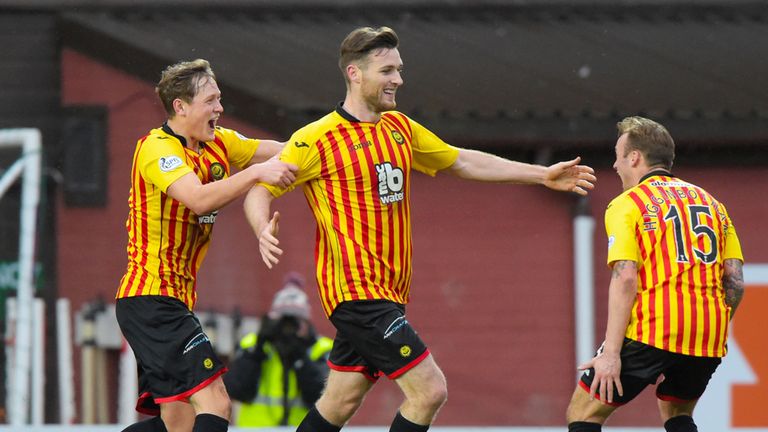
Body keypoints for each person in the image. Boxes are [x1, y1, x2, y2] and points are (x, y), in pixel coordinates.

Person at [243, 27, 597, 432]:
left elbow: (461, 161)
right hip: (358, 294)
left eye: (399, 69)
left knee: (341, 400)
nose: (398, 79)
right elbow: (260, 188)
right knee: (429, 391)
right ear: (355, 74)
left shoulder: (399, 128)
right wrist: (260, 228)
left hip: (389, 294)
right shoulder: (316, 138)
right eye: (387, 70)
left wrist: (541, 175)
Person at [115, 59, 298, 432]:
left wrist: (333, 147)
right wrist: (254, 174)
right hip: (152, 300)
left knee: (179, 424)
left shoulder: (218, 144)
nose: (220, 108)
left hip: (168, 303)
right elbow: (197, 199)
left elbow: (285, 150)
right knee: (216, 402)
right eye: (211, 100)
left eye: (220, 99)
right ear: (180, 106)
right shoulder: (156, 148)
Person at [565, 116, 745, 432]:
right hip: (708, 334)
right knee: (677, 414)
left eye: (619, 155)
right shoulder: (713, 204)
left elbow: (625, 277)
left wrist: (611, 353)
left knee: (583, 413)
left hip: (654, 328)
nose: (616, 164)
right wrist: (709, 325)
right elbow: (735, 281)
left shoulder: (627, 204)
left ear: (634, 157)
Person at [224, 272, 333, 427]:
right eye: (284, 320)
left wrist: (301, 357)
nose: (288, 327)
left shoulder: (321, 349)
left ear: (306, 322)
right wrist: (259, 348)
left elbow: (324, 399)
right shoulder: (252, 345)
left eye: (295, 321)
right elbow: (236, 390)